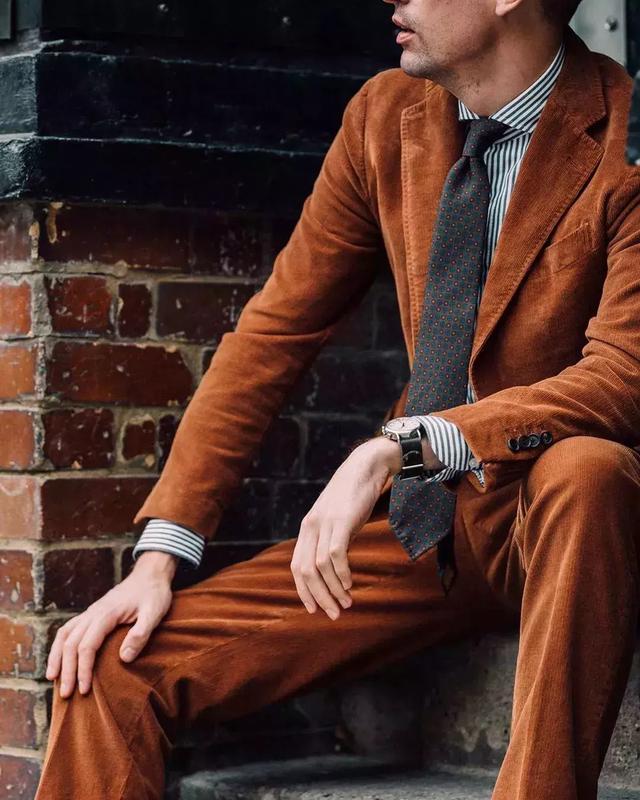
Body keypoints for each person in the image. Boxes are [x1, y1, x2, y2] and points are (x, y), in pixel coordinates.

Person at [35, 0, 640, 798]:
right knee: (110, 668)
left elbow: (621, 377)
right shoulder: (385, 118)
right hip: (422, 527)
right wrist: (159, 558)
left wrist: (405, 444)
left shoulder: (626, 135)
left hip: (562, 525)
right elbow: (274, 333)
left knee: (589, 470)